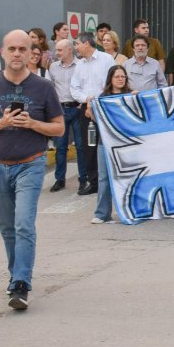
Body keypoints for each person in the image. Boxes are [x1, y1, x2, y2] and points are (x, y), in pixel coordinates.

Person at [0, 30, 65, 310]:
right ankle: (16, 274)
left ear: (30, 54)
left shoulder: (43, 87)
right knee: (6, 226)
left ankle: (21, 283)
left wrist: (32, 124)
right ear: (2, 52)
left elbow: (59, 128)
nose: (16, 54)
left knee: (24, 223)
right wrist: (2, 123)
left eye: (22, 49)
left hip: (31, 163)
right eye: (11, 49)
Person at [70, 33, 114, 197]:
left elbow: (112, 83)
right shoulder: (79, 65)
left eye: (77, 44)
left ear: (87, 43)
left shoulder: (106, 59)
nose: (76, 47)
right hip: (86, 110)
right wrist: (86, 99)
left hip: (104, 107)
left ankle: (110, 180)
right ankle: (93, 181)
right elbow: (74, 88)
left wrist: (97, 98)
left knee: (107, 143)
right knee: (89, 145)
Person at [89, 63, 133, 225]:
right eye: (117, 76)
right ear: (111, 79)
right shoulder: (102, 98)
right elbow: (97, 120)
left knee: (129, 178)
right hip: (105, 143)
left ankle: (131, 211)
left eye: (123, 76)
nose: (121, 79)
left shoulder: (131, 95)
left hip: (126, 143)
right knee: (104, 178)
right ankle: (102, 214)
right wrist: (90, 109)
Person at [48, 37, 80, 193]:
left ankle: (84, 178)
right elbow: (50, 88)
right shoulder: (53, 67)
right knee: (60, 147)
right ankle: (59, 179)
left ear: (69, 49)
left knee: (81, 146)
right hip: (60, 110)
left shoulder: (81, 65)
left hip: (77, 109)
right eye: (56, 50)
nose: (57, 53)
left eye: (60, 50)